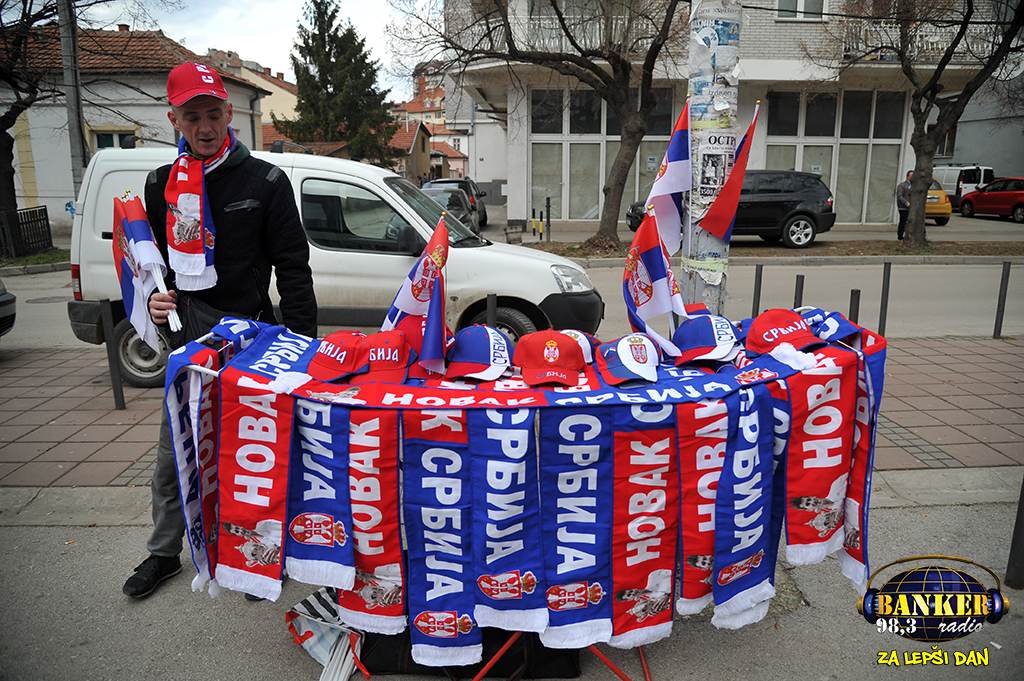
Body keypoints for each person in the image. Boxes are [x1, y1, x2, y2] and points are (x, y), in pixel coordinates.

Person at [122, 62, 317, 599]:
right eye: (192, 117)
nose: (205, 127)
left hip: (254, 336)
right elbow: (151, 265)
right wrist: (155, 298)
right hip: (189, 336)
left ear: (230, 113)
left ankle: (260, 555)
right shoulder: (160, 184)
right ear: (174, 121)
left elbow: (294, 270)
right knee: (174, 451)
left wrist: (305, 348)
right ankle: (163, 552)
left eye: (213, 114)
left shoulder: (266, 181)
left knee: (256, 451)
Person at [896, 170, 913, 241]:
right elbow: (899, 196)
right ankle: (900, 236)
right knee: (903, 221)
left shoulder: (914, 186)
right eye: (912, 176)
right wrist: (906, 203)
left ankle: (909, 235)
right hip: (903, 207)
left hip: (911, 207)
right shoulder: (902, 185)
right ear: (908, 176)